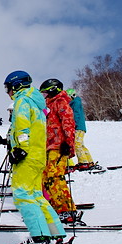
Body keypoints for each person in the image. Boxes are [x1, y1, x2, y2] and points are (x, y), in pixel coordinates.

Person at [0, 71, 67, 244]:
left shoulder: (23, 101)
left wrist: (20, 149)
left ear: (16, 85)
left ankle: (39, 236)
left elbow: (22, 126)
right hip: (38, 156)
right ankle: (55, 233)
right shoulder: (37, 103)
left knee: (22, 195)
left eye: (8, 88)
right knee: (36, 195)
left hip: (27, 156)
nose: (8, 93)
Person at [39, 79, 82, 225]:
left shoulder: (61, 102)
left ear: (53, 90)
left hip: (59, 146)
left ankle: (67, 210)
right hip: (49, 147)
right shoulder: (49, 105)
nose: (44, 96)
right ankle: (58, 208)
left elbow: (68, 123)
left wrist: (68, 144)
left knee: (55, 177)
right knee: (46, 179)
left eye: (45, 93)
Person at [65, 89, 97, 171]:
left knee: (77, 144)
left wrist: (73, 124)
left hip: (78, 127)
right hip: (80, 127)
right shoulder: (74, 103)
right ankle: (89, 161)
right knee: (81, 144)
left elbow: (76, 114)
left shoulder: (75, 102)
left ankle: (83, 162)